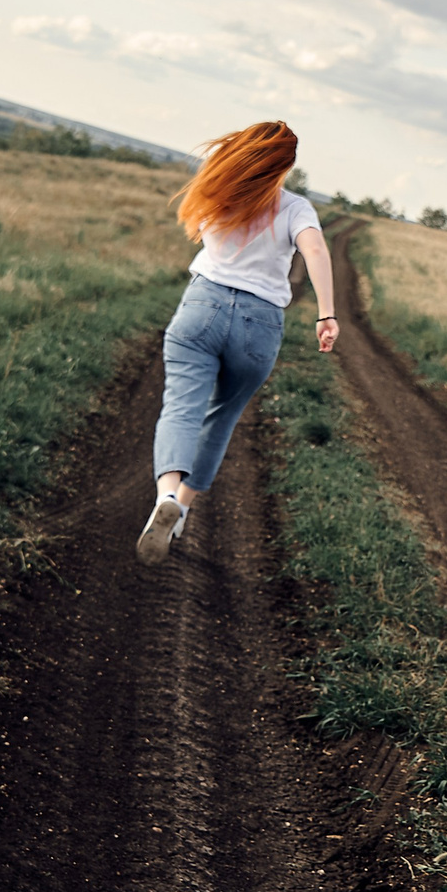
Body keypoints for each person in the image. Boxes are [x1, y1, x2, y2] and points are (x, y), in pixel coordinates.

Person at [137, 122, 339, 563]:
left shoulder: (215, 190)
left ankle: (165, 496)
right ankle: (184, 509)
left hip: (202, 307)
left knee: (181, 409)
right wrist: (326, 314)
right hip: (260, 324)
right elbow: (317, 252)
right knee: (221, 417)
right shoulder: (295, 207)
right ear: (285, 167)